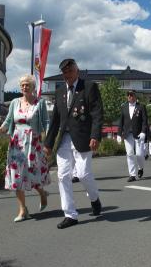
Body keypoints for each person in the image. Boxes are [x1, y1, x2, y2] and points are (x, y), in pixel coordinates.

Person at [44, 58, 103, 229]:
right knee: (62, 176)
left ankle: (94, 199)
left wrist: (95, 136)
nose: (67, 75)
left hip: (83, 138)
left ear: (77, 71)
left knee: (84, 174)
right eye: (64, 73)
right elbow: (55, 119)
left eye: (70, 71)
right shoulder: (60, 91)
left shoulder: (89, 87)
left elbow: (97, 113)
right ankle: (70, 214)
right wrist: (48, 143)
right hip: (64, 139)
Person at [0, 75, 50, 222]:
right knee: (16, 176)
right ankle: (23, 210)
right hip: (17, 143)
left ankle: (42, 193)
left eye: (27, 85)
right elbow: (8, 120)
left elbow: (46, 121)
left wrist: (47, 142)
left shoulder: (40, 103)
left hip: (33, 143)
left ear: (33, 87)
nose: (24, 87)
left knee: (32, 175)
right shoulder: (15, 102)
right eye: (22, 85)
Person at [117, 89, 148, 182]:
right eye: (128, 95)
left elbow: (144, 121)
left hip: (138, 134)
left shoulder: (141, 106)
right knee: (130, 154)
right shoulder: (124, 107)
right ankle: (132, 175)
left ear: (135, 96)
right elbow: (121, 122)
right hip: (127, 134)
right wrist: (119, 134)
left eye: (131, 95)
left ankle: (141, 168)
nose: (129, 96)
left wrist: (143, 132)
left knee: (139, 154)